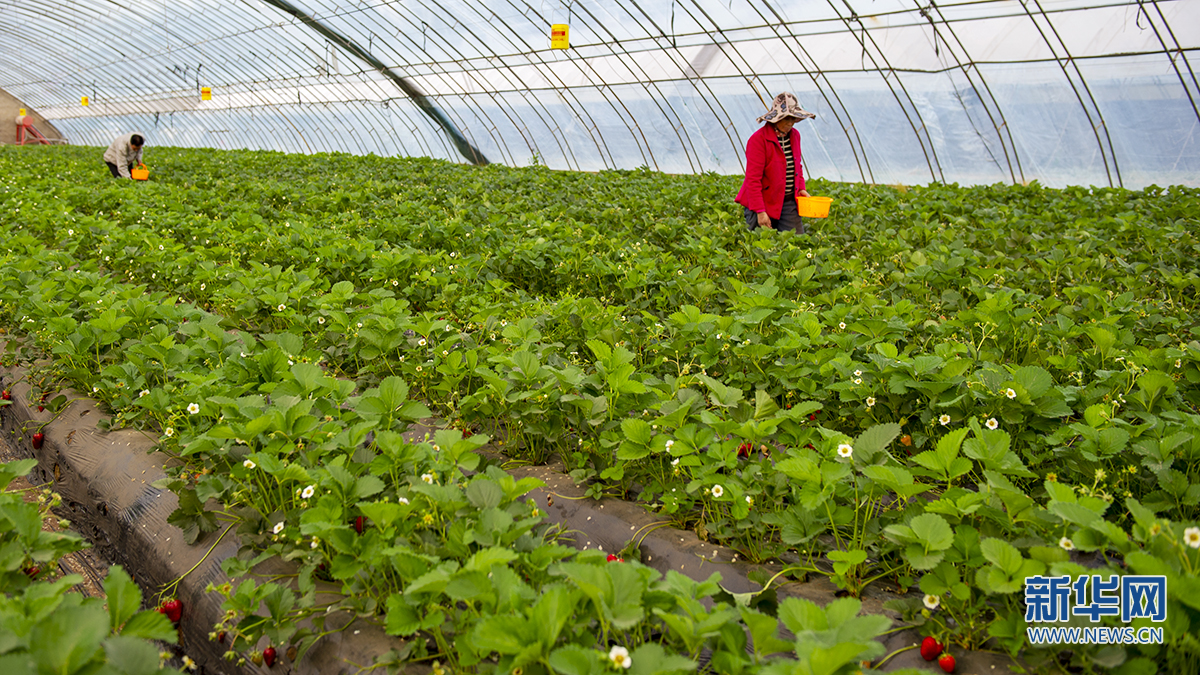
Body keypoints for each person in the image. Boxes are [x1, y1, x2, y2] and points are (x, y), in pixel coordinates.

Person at [735, 93, 816, 233]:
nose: (790, 123)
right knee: (761, 242)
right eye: (786, 118)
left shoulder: (795, 135)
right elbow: (753, 179)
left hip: (788, 202)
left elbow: (797, 166)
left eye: (793, 118)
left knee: (796, 241)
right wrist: (760, 211)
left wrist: (801, 188)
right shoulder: (758, 140)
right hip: (763, 202)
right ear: (776, 118)